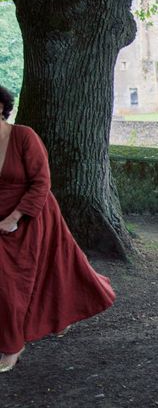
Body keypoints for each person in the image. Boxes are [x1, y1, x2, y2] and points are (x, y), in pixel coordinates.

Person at [0, 85, 115, 373]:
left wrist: (15, 216)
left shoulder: (24, 136)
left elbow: (41, 182)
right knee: (32, 277)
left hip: (32, 214)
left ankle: (12, 346)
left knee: (14, 280)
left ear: (1, 107)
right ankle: (55, 316)